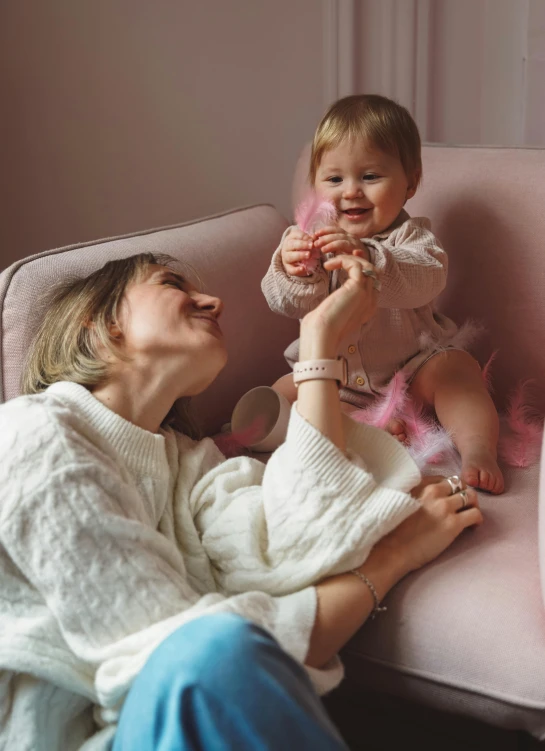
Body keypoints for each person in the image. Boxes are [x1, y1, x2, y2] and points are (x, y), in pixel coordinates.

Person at [0, 251, 482, 751]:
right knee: (213, 653)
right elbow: (190, 658)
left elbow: (306, 542)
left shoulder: (192, 466)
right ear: (103, 325)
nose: (213, 301)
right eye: (171, 284)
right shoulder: (36, 433)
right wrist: (394, 556)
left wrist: (321, 345)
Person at [262, 94, 503, 494]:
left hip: (414, 369)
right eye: (334, 179)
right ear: (315, 185)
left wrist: (370, 256)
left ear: (410, 181)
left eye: (370, 177)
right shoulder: (306, 241)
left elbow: (424, 279)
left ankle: (478, 449)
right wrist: (293, 271)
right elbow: (283, 302)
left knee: (456, 370)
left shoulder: (414, 237)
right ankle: (372, 433)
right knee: (283, 393)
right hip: (335, 380)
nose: (351, 192)